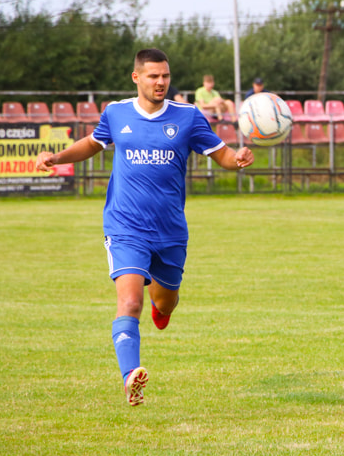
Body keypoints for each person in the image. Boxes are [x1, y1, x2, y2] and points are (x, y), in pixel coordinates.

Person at [35, 49, 254, 407]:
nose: (161, 82)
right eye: (153, 76)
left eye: (165, 76)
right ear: (136, 77)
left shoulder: (188, 117)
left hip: (170, 230)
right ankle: (130, 377)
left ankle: (162, 308)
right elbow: (93, 144)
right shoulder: (116, 113)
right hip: (125, 226)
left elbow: (223, 155)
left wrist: (239, 160)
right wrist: (57, 157)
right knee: (130, 300)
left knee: (164, 302)